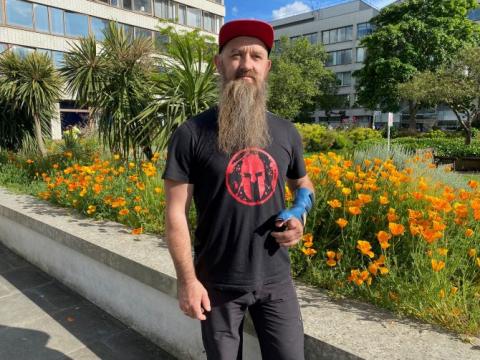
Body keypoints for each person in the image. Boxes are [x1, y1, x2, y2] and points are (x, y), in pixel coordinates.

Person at [163, 19, 315, 360]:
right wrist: (187, 280)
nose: (246, 64)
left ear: (267, 66)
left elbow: (302, 183)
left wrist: (299, 212)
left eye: (256, 56)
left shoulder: (286, 132)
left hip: (276, 280)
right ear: (219, 64)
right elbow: (176, 214)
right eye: (236, 55)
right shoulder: (191, 133)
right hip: (216, 282)